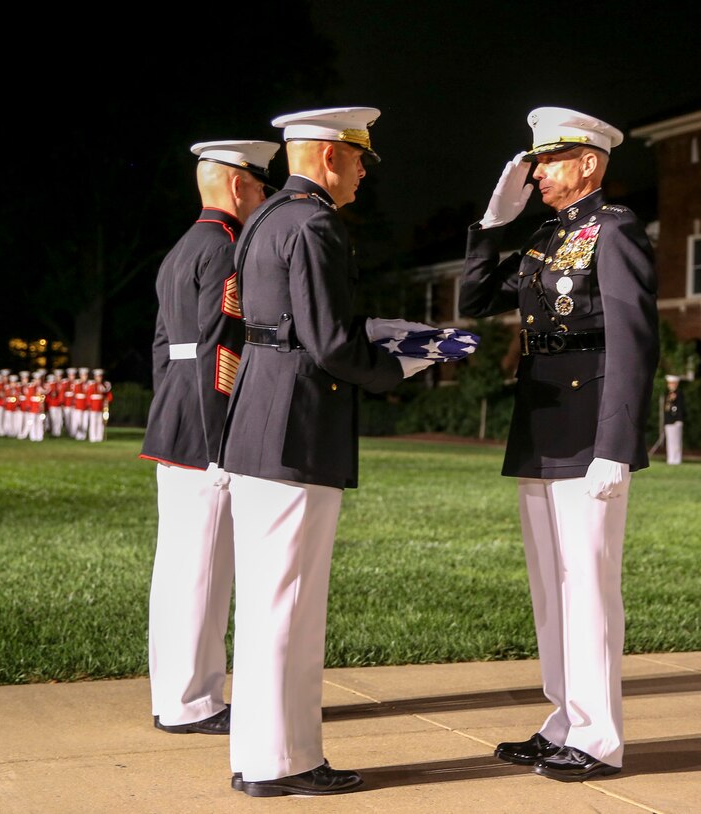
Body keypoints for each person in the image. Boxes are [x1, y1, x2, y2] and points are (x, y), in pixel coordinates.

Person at [218, 107, 434, 797]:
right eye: (360, 158)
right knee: (291, 604)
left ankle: (258, 757)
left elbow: (284, 321)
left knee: (263, 603)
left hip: (257, 422)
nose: (365, 172)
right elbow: (329, 342)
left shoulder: (263, 220)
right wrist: (406, 363)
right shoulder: (315, 225)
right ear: (330, 157)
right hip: (299, 427)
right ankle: (285, 762)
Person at [459, 106, 659, 781]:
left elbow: (634, 341)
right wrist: (490, 227)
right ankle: (565, 719)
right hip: (542, 429)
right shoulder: (547, 236)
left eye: (549, 160)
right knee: (552, 587)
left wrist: (618, 442)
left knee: (588, 586)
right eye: (537, 160)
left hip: (589, 431)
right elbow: (478, 297)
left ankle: (599, 737)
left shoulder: (618, 230)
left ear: (588, 164)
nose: (537, 171)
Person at [140, 139, 279, 742]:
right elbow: (222, 347)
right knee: (203, 571)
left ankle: (175, 692)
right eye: (259, 185)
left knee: (179, 568)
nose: (265, 196)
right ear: (235, 185)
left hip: (174, 418)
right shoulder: (224, 248)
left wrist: (171, 411)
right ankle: (192, 701)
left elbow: (163, 348)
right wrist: (222, 439)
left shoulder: (179, 248)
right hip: (205, 430)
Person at [663, 374, 685, 465]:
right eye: (670, 383)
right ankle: (670, 458)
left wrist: (679, 420)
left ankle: (676, 459)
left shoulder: (679, 394)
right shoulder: (667, 394)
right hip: (669, 421)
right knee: (670, 441)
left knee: (676, 441)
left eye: (673, 383)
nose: (671, 385)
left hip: (676, 420)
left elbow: (680, 408)